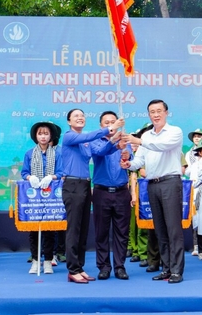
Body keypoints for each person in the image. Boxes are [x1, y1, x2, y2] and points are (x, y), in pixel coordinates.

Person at [58, 109, 124, 283]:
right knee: (74, 228)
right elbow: (88, 136)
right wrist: (110, 128)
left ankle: (79, 267)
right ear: (69, 121)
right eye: (76, 116)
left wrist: (115, 144)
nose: (80, 118)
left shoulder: (86, 142)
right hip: (73, 184)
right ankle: (72, 269)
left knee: (83, 228)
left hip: (86, 185)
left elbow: (101, 151)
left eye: (82, 116)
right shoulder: (69, 137)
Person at [123, 100, 185, 283]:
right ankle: (166, 268)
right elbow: (139, 161)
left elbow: (162, 146)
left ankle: (176, 270)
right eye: (152, 112)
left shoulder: (174, 132)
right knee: (160, 229)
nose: (156, 115)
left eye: (159, 111)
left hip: (170, 182)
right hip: (152, 184)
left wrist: (139, 141)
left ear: (166, 112)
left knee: (173, 229)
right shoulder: (147, 135)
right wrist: (128, 163)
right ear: (149, 114)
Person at [90, 111, 133, 280]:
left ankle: (120, 266)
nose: (110, 125)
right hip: (101, 192)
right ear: (101, 126)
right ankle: (104, 267)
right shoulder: (96, 141)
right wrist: (114, 141)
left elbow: (131, 162)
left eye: (113, 122)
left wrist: (128, 156)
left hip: (122, 192)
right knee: (101, 232)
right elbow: (101, 152)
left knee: (122, 232)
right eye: (107, 123)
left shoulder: (125, 141)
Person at [22, 121, 62, 274]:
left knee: (49, 230)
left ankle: (48, 261)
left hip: (51, 196)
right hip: (34, 196)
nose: (43, 136)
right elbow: (24, 172)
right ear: (35, 136)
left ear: (51, 136)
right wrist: (30, 177)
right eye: (40, 133)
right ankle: (35, 261)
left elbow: (61, 172)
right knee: (34, 231)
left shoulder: (57, 154)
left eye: (46, 133)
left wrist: (51, 177)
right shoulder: (29, 153)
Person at [127, 123, 153, 267]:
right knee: (137, 225)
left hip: (157, 190)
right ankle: (139, 252)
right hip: (140, 192)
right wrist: (133, 194)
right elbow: (136, 174)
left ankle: (152, 255)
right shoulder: (137, 155)